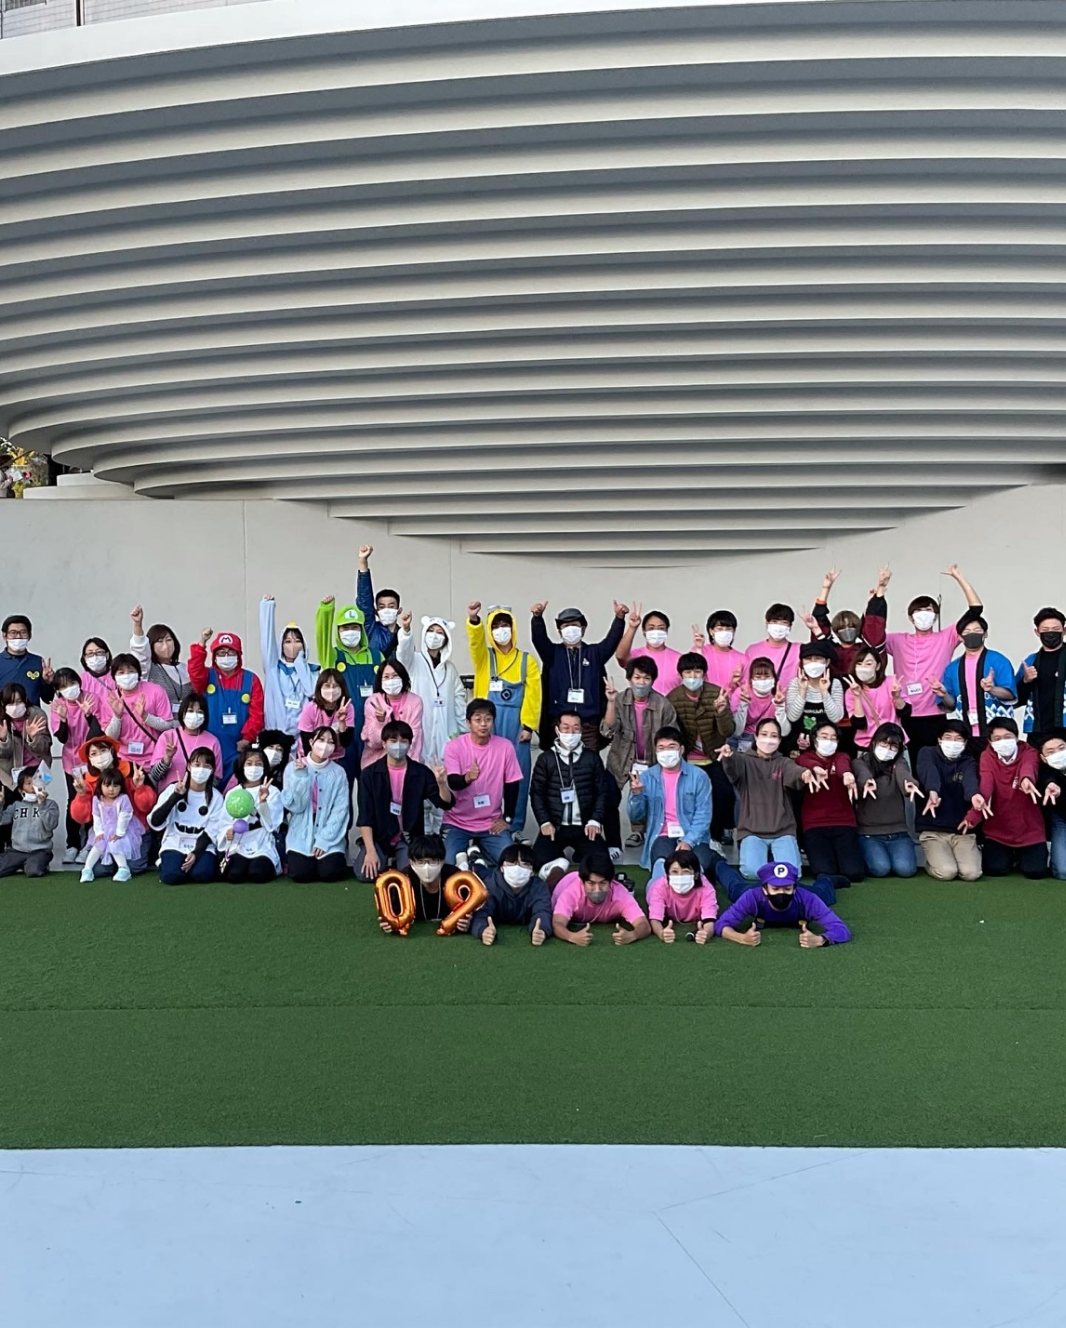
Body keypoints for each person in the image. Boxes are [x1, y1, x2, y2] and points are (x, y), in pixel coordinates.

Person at [884, 563, 983, 752]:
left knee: (936, 760)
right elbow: (872, 636)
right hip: (904, 711)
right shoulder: (897, 640)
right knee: (908, 762)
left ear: (936, 616)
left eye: (929, 611)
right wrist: (879, 590)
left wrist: (959, 577)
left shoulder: (946, 637)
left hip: (936, 712)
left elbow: (975, 609)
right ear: (910, 617)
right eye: (918, 611)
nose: (924, 615)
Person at [465, 602, 542, 839]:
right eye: (496, 626)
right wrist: (474, 621)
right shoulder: (484, 658)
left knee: (517, 776)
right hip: (488, 724)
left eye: (505, 625)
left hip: (516, 725)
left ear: (513, 627)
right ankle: (483, 822)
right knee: (485, 774)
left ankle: (514, 825)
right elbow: (475, 642)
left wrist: (528, 725)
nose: (501, 630)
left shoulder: (526, 660)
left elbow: (533, 694)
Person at [719, 718, 823, 878]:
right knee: (752, 872)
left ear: (780, 740)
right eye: (764, 734)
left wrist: (804, 773)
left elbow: (794, 771)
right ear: (756, 736)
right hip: (752, 831)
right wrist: (728, 757)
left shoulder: (783, 762)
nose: (768, 739)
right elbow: (733, 767)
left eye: (774, 736)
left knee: (792, 874)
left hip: (782, 831)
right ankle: (765, 859)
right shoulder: (744, 760)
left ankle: (773, 859)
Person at [355, 720, 453, 879]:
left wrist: (442, 783)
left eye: (403, 741)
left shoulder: (421, 772)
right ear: (384, 744)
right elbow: (365, 817)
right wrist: (370, 852)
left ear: (410, 744)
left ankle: (396, 861)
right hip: (379, 837)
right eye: (393, 741)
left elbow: (445, 803)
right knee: (364, 874)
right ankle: (374, 853)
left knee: (410, 875)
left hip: (409, 838)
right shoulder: (369, 774)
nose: (398, 746)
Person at [599, 659, 677, 848]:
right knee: (609, 797)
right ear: (629, 679)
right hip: (621, 760)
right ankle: (611, 841)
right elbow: (608, 730)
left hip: (652, 761)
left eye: (646, 678)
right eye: (637, 677)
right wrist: (611, 702)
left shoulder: (663, 704)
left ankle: (639, 832)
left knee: (647, 799)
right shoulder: (619, 699)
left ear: (653, 680)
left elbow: (672, 734)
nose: (641, 682)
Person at [530, 600, 626, 750]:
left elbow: (611, 641)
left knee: (588, 762)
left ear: (583, 628)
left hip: (588, 725)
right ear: (559, 631)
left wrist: (619, 619)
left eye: (574, 625)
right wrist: (537, 618)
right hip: (559, 724)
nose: (570, 629)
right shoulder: (552, 653)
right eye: (565, 626)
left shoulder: (595, 653)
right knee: (558, 762)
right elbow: (538, 639)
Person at [960, 718, 1047, 878]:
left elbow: (1028, 766)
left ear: (1016, 737)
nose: (1003, 742)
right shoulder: (987, 756)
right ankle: (1009, 856)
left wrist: (1026, 779)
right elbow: (986, 785)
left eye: (1008, 737)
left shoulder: (1030, 752)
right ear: (990, 741)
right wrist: (973, 816)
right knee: (995, 869)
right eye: (997, 738)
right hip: (998, 831)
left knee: (1035, 872)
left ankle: (1020, 856)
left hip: (1030, 830)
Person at [441, 699, 522, 867]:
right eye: (478, 719)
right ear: (468, 722)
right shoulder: (454, 746)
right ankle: (475, 856)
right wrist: (468, 777)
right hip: (458, 822)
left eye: (488, 719)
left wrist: (507, 818)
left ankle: (480, 856)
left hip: (491, 823)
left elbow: (512, 784)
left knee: (510, 863)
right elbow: (453, 782)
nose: (483, 724)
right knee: (449, 864)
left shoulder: (505, 747)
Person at [626, 726, 715, 875]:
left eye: (671, 747)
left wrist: (688, 841)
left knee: (697, 868)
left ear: (681, 749)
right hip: (662, 835)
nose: (666, 752)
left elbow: (703, 815)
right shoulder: (646, 777)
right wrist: (637, 794)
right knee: (662, 867)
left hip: (693, 836)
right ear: (656, 751)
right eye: (661, 748)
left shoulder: (699, 776)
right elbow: (636, 817)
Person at [666, 651, 734, 844]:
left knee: (723, 793)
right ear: (680, 675)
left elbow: (728, 730)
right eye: (688, 673)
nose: (693, 677)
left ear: (704, 674)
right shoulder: (673, 698)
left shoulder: (716, 694)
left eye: (697, 672)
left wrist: (721, 712)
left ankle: (719, 833)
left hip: (714, 755)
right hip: (686, 758)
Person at [529, 709, 610, 870]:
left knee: (601, 863)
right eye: (566, 728)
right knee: (538, 862)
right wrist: (544, 822)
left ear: (581, 731)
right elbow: (537, 794)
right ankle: (559, 857)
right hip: (555, 826)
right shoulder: (546, 759)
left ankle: (581, 853)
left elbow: (602, 792)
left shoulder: (592, 758)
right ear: (557, 730)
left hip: (585, 826)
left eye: (575, 728)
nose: (571, 733)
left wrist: (595, 820)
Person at [315, 597, 385, 772]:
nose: (350, 632)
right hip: (344, 727)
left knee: (370, 780)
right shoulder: (333, 656)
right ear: (338, 631)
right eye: (345, 628)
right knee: (342, 779)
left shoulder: (376, 656)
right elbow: (322, 638)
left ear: (361, 630)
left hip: (372, 729)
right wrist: (326, 610)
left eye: (354, 627)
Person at [68, 736, 156, 875]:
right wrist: (82, 795)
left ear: (112, 751)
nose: (99, 756)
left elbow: (148, 805)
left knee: (134, 867)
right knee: (100, 869)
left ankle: (120, 861)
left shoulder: (132, 771)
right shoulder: (86, 780)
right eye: (94, 753)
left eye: (103, 750)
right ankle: (112, 860)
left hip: (134, 829)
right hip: (104, 831)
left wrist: (139, 788)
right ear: (89, 759)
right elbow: (81, 817)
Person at [714, 861, 852, 947]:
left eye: (787, 889)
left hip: (807, 895)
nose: (781, 893)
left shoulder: (808, 899)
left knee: (824, 895)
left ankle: (826, 878)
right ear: (765, 889)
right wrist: (741, 938)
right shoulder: (752, 897)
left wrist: (821, 940)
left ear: (794, 888)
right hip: (751, 891)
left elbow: (842, 929)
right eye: (775, 889)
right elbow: (721, 924)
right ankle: (718, 863)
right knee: (734, 889)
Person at [188, 630, 265, 784]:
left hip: (238, 745)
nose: (226, 656)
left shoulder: (251, 679)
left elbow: (257, 714)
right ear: (214, 656)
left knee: (233, 786)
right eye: (221, 653)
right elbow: (194, 671)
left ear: (239, 655)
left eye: (231, 652)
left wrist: (247, 738)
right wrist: (202, 643)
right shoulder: (206, 676)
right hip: (209, 743)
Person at [395, 612, 468, 774]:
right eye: (431, 631)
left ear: (446, 639)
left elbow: (459, 700)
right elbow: (403, 653)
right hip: (421, 728)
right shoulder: (414, 661)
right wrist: (406, 630)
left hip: (446, 730)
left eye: (440, 633)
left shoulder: (450, 669)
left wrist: (465, 731)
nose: (434, 636)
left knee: (446, 775)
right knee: (420, 773)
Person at [931, 612, 1016, 748]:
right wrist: (944, 694)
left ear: (985, 634)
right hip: (965, 733)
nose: (972, 634)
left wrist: (992, 689)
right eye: (967, 631)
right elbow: (951, 705)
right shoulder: (953, 668)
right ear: (960, 637)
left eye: (977, 630)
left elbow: (1010, 695)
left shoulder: (999, 660)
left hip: (997, 734)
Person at [795, 722, 864, 882]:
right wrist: (816, 768)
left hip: (843, 822)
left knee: (854, 873)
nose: (829, 741)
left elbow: (843, 765)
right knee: (824, 872)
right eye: (824, 737)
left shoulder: (842, 756)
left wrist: (846, 774)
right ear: (814, 739)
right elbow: (805, 762)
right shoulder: (803, 758)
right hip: (814, 824)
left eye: (833, 738)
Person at [915, 720, 983, 882]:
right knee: (947, 872)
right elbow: (928, 771)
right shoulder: (927, 752)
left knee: (971, 873)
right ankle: (932, 863)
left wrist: (974, 795)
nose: (953, 742)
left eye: (958, 739)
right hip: (934, 831)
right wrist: (933, 791)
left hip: (962, 831)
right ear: (939, 739)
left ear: (965, 742)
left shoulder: (968, 761)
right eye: (948, 737)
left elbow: (970, 780)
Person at [48, 668, 104, 864]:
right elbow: (62, 738)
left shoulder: (92, 698)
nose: (69, 688)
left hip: (92, 760)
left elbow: (98, 732)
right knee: (73, 800)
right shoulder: (58, 705)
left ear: (79, 682)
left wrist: (88, 715)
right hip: (71, 761)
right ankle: (72, 844)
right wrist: (63, 719)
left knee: (94, 800)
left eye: (72, 683)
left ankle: (89, 844)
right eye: (63, 686)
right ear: (58, 690)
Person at [851, 723, 921, 878]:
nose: (888, 749)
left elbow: (903, 774)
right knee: (880, 869)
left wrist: (909, 784)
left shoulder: (899, 763)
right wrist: (866, 782)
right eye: (884, 744)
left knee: (906, 870)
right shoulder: (860, 762)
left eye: (893, 746)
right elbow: (862, 773)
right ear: (874, 742)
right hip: (869, 833)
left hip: (898, 832)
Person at [281, 728, 351, 882]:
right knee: (301, 874)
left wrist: (325, 840)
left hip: (328, 829)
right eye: (321, 740)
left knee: (330, 873)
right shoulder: (292, 768)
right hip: (301, 831)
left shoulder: (339, 772)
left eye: (331, 742)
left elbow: (341, 809)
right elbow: (295, 806)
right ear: (311, 742)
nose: (325, 745)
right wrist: (301, 777)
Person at [148, 748, 225, 885]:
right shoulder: (172, 789)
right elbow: (155, 821)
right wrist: (175, 797)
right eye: (197, 764)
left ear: (212, 770)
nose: (201, 769)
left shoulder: (216, 797)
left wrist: (196, 852)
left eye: (206, 766)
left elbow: (213, 829)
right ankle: (166, 863)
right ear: (189, 766)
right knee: (172, 876)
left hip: (202, 844)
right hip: (175, 841)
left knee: (202, 875)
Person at [549, 848, 650, 946]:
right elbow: (557, 923)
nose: (597, 889)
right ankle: (554, 867)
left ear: (611, 882)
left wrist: (633, 935)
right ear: (582, 882)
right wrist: (571, 936)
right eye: (591, 883)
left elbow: (644, 924)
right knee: (551, 882)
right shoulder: (571, 893)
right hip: (563, 882)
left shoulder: (620, 894)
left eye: (603, 883)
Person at [802, 565, 890, 676]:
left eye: (851, 626)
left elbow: (874, 625)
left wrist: (880, 588)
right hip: (833, 687)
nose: (847, 630)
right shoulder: (831, 651)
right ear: (836, 630)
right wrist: (825, 589)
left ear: (858, 628)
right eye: (842, 627)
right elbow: (819, 626)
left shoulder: (866, 650)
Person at [373, 833, 471, 930]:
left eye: (432, 862)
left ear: (442, 861)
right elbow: (393, 914)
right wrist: (390, 924)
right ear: (411, 862)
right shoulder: (402, 882)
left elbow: (469, 908)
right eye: (420, 862)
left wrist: (466, 921)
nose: (426, 867)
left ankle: (467, 861)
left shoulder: (455, 877)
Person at [216, 749, 284, 883]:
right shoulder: (233, 793)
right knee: (235, 875)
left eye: (258, 764)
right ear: (242, 766)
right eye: (249, 763)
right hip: (239, 843)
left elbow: (272, 825)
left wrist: (263, 802)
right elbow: (224, 821)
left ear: (264, 767)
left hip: (261, 842)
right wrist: (227, 832)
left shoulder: (273, 791)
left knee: (258, 873)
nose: (254, 768)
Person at [470, 842, 553, 946]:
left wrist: (542, 930)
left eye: (525, 864)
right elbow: (481, 913)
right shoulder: (489, 885)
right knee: (478, 870)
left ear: (532, 871)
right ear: (501, 867)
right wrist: (483, 930)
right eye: (511, 863)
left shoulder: (539, 887)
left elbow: (543, 912)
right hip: (488, 875)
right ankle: (475, 859)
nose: (517, 868)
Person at [258, 596, 317, 736]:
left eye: (297, 641)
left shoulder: (312, 671)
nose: (293, 645)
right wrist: (267, 606)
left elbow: (310, 691)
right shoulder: (273, 668)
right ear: (281, 645)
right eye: (288, 641)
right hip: (277, 736)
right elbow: (267, 639)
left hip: (302, 736)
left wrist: (300, 662)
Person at [100, 653, 172, 762]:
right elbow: (110, 737)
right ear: (114, 676)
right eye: (121, 672)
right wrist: (117, 716)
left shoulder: (156, 691)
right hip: (124, 760)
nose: (126, 675)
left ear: (138, 673)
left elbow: (167, 725)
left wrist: (146, 716)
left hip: (155, 757)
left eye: (131, 671)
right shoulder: (111, 699)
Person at [148, 693, 223, 791]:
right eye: (190, 711)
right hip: (170, 795)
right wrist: (167, 759)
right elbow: (155, 776)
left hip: (198, 796)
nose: (194, 715)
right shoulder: (168, 737)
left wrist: (196, 790)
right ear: (183, 713)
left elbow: (216, 778)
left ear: (205, 716)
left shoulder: (212, 741)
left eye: (199, 712)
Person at [79, 767, 142, 884]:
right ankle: (87, 869)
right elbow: (96, 816)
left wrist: (119, 833)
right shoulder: (97, 799)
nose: (111, 789)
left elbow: (125, 815)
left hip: (122, 830)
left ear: (121, 787)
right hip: (104, 829)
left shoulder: (123, 799)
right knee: (98, 845)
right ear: (101, 785)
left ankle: (123, 869)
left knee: (115, 844)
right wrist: (99, 832)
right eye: (107, 785)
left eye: (115, 786)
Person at [130, 606, 191, 721]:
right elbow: (140, 651)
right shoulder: (149, 669)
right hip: (161, 725)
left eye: (169, 640)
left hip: (186, 726)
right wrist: (137, 625)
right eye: (160, 641)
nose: (166, 645)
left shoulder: (185, 668)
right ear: (151, 645)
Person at [645, 847, 717, 944]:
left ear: (696, 875)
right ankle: (660, 863)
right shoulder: (658, 888)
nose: (680, 876)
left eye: (686, 872)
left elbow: (709, 922)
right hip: (655, 884)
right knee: (657, 872)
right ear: (668, 875)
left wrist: (706, 934)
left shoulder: (707, 889)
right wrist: (661, 933)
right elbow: (655, 920)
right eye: (674, 872)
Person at [784, 640, 845, 754]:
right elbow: (792, 717)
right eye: (808, 659)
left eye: (818, 658)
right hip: (798, 743)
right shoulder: (795, 683)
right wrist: (802, 690)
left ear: (827, 662)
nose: (813, 663)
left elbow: (836, 718)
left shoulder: (835, 684)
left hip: (826, 745)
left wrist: (824, 692)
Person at [361, 660, 424, 769]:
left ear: (402, 677)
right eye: (386, 677)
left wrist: (408, 769)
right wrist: (380, 722)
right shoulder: (373, 702)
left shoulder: (415, 702)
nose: (391, 680)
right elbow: (374, 743)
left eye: (395, 676)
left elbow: (415, 739)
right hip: (376, 767)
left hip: (407, 765)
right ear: (380, 680)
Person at [845, 645, 910, 750]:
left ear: (878, 666)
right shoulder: (851, 691)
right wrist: (857, 696)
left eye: (868, 664)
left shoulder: (892, 682)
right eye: (859, 664)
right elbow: (859, 724)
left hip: (893, 742)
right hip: (867, 745)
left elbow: (906, 713)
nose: (863, 668)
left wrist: (897, 697)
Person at [1016, 607, 1066, 743]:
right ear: (1037, 632)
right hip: (1038, 730)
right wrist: (1026, 681)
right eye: (1045, 629)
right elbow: (1016, 700)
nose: (1050, 633)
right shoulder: (1030, 661)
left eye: (1055, 629)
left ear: (1064, 630)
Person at [0, 770, 58, 879]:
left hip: (40, 851)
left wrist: (42, 805)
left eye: (36, 782)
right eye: (28, 783)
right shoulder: (16, 805)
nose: (33, 786)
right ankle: (22, 863)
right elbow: (2, 820)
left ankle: (34, 863)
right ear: (21, 790)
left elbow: (51, 825)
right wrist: (0, 804)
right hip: (17, 850)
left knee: (33, 871)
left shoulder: (50, 804)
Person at [0, 683, 52, 802]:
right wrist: (3, 740)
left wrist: (32, 738)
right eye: (10, 703)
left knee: (38, 805)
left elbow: (44, 748)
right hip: (9, 773)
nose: (15, 706)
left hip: (36, 770)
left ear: (25, 700)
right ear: (3, 703)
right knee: (12, 808)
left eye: (19, 701)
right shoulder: (1, 720)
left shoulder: (36, 715)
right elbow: (3, 755)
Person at [615, 607, 682, 695]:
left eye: (661, 628)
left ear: (666, 631)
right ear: (644, 631)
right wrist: (632, 627)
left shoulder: (678, 658)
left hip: (670, 703)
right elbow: (620, 656)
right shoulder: (636, 656)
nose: (656, 632)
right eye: (651, 628)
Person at [731, 656, 790, 747]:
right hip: (743, 738)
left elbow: (784, 732)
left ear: (774, 679)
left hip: (767, 739)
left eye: (767, 677)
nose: (763, 680)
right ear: (751, 680)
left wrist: (780, 706)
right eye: (758, 677)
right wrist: (743, 704)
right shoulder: (741, 692)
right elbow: (737, 732)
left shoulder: (778, 695)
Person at [355, 543, 401, 659]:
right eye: (382, 606)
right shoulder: (370, 629)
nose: (386, 610)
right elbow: (365, 600)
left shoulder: (404, 635)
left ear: (399, 610)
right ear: (376, 611)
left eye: (391, 606)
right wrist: (363, 562)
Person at [298, 669, 355, 763]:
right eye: (327, 686)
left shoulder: (347, 707)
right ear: (320, 688)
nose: (331, 690)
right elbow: (306, 742)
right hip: (309, 756)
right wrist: (314, 763)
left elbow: (346, 743)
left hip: (336, 757)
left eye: (335, 686)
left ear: (342, 688)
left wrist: (342, 722)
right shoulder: (310, 708)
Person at [0, 615, 55, 706]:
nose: (18, 636)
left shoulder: (38, 662)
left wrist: (47, 682)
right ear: (4, 636)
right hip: (4, 714)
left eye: (23, 632)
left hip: (32, 714)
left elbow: (48, 699)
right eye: (13, 633)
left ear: (29, 636)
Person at [743, 603, 800, 685]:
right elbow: (746, 680)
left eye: (784, 622)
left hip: (790, 693)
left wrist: (814, 628)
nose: (779, 626)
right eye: (774, 621)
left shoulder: (798, 649)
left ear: (790, 626)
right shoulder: (752, 650)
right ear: (767, 623)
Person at [1035, 735, 1066, 881]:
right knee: (1062, 871)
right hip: (1061, 821)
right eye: (1051, 752)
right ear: (1043, 757)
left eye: (1062, 748)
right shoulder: (1044, 771)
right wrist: (1051, 785)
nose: (1058, 754)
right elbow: (1046, 779)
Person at [692, 610, 746, 691]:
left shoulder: (742, 659)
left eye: (728, 629)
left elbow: (745, 689)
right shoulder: (700, 650)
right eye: (720, 629)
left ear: (734, 631)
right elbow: (693, 676)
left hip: (731, 699)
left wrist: (733, 685)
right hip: (705, 698)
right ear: (711, 631)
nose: (724, 632)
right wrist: (699, 649)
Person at [79, 638, 114, 705]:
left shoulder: (116, 676)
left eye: (99, 652)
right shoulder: (81, 680)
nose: (95, 657)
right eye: (90, 653)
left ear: (107, 655)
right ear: (85, 658)